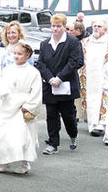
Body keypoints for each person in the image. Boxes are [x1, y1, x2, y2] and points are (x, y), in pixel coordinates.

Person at [0, 43, 42, 174]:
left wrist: (29, 106)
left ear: (28, 55)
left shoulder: (33, 72)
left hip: (21, 105)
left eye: (20, 54)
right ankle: (4, 160)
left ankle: (24, 163)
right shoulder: (8, 69)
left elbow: (36, 91)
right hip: (7, 104)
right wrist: (0, 95)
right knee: (4, 134)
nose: (17, 56)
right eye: (15, 53)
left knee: (22, 135)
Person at [36, 13, 84, 155]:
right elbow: (41, 63)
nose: (55, 29)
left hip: (66, 85)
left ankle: (73, 135)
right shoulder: (45, 44)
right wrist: (50, 78)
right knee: (51, 115)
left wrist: (60, 78)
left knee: (68, 115)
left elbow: (76, 62)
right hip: (50, 85)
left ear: (64, 27)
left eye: (58, 26)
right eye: (53, 26)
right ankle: (53, 144)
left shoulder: (73, 42)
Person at [82, 19, 108, 136]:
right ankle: (92, 123)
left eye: (99, 26)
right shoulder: (85, 42)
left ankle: (103, 123)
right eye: (94, 26)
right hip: (89, 75)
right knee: (91, 97)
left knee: (103, 98)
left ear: (105, 29)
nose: (96, 28)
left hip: (105, 75)